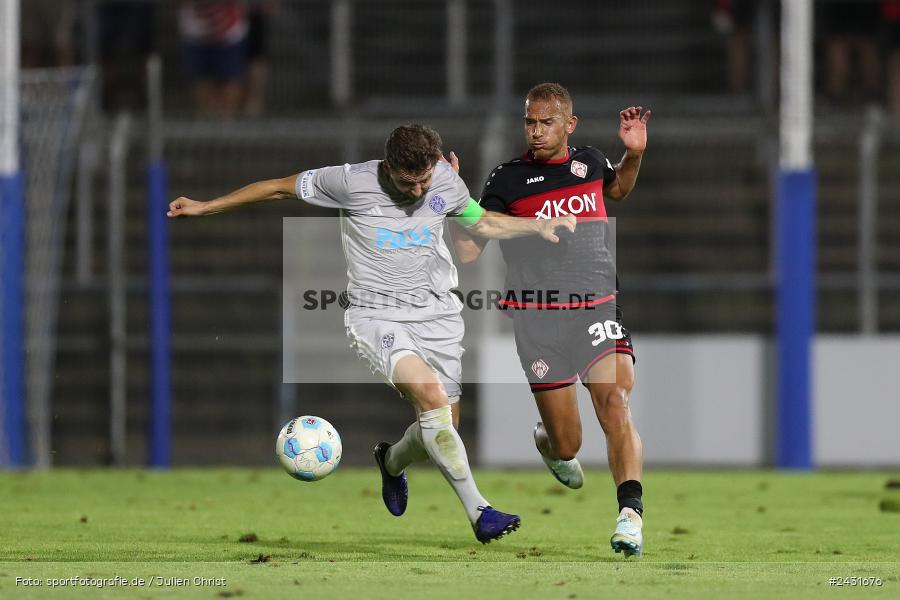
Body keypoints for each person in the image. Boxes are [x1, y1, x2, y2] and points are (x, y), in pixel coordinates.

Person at [167, 124, 576, 543]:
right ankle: (480, 512)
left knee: (442, 428)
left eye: (424, 180)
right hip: (376, 316)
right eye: (407, 182)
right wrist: (206, 207)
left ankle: (391, 461)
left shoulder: (443, 179)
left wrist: (536, 226)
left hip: (438, 315)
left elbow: (482, 223)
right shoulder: (350, 182)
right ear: (388, 167)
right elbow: (277, 189)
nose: (417, 191)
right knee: (432, 399)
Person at [450, 83, 649, 556]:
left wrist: (634, 154)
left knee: (615, 401)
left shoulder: (590, 162)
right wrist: (455, 201)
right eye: (530, 122)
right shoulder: (506, 180)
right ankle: (547, 443)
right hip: (537, 319)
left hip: (596, 306)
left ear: (569, 124)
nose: (536, 131)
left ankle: (630, 516)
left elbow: (618, 188)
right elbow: (468, 251)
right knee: (567, 444)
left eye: (547, 122)